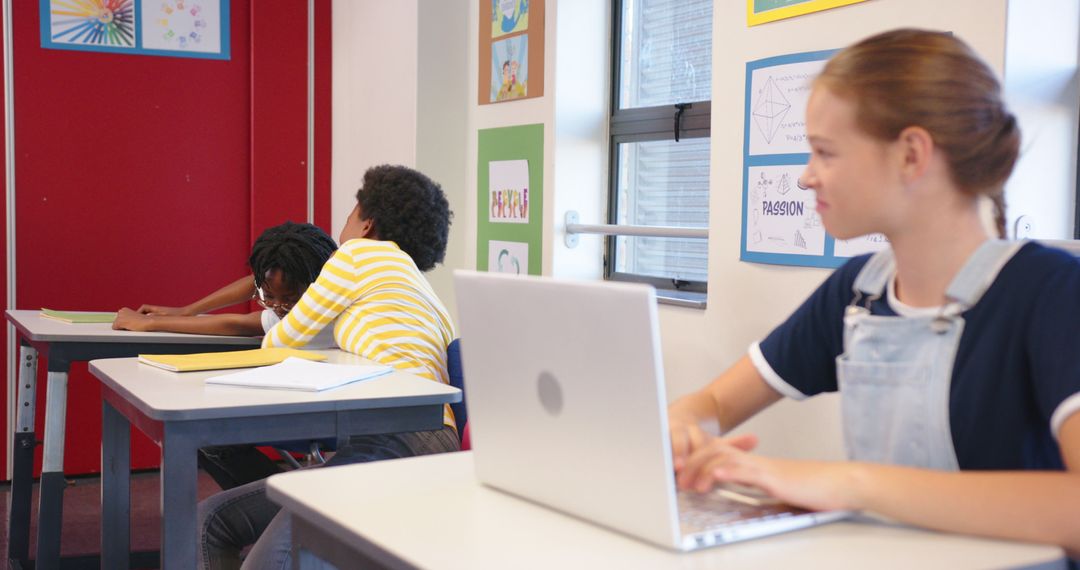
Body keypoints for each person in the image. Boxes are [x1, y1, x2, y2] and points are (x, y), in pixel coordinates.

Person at [668, 29, 1080, 556]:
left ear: (911, 155)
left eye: (824, 152)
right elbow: (714, 403)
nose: (806, 178)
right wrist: (686, 425)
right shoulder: (857, 291)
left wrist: (852, 483)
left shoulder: (1049, 293)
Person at [198, 164, 458, 569]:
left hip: (403, 439)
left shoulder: (357, 255)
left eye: (352, 211)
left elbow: (277, 342)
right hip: (417, 437)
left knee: (265, 560)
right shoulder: (409, 281)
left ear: (367, 223)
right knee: (211, 520)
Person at [113, 221, 340, 489]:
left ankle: (284, 502)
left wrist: (151, 323)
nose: (278, 307)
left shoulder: (314, 319)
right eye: (268, 297)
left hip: (325, 415)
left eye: (288, 298)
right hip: (307, 402)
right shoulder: (307, 292)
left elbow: (238, 324)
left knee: (206, 433)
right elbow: (260, 280)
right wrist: (187, 310)